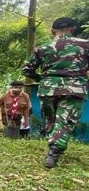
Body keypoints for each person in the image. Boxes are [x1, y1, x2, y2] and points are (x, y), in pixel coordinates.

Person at [22, 17, 88, 168]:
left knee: (51, 120)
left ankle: (52, 142)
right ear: (73, 29)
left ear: (53, 31)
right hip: (74, 88)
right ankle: (53, 152)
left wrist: (42, 78)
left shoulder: (42, 48)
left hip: (48, 89)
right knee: (64, 121)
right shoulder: (85, 45)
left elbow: (26, 69)